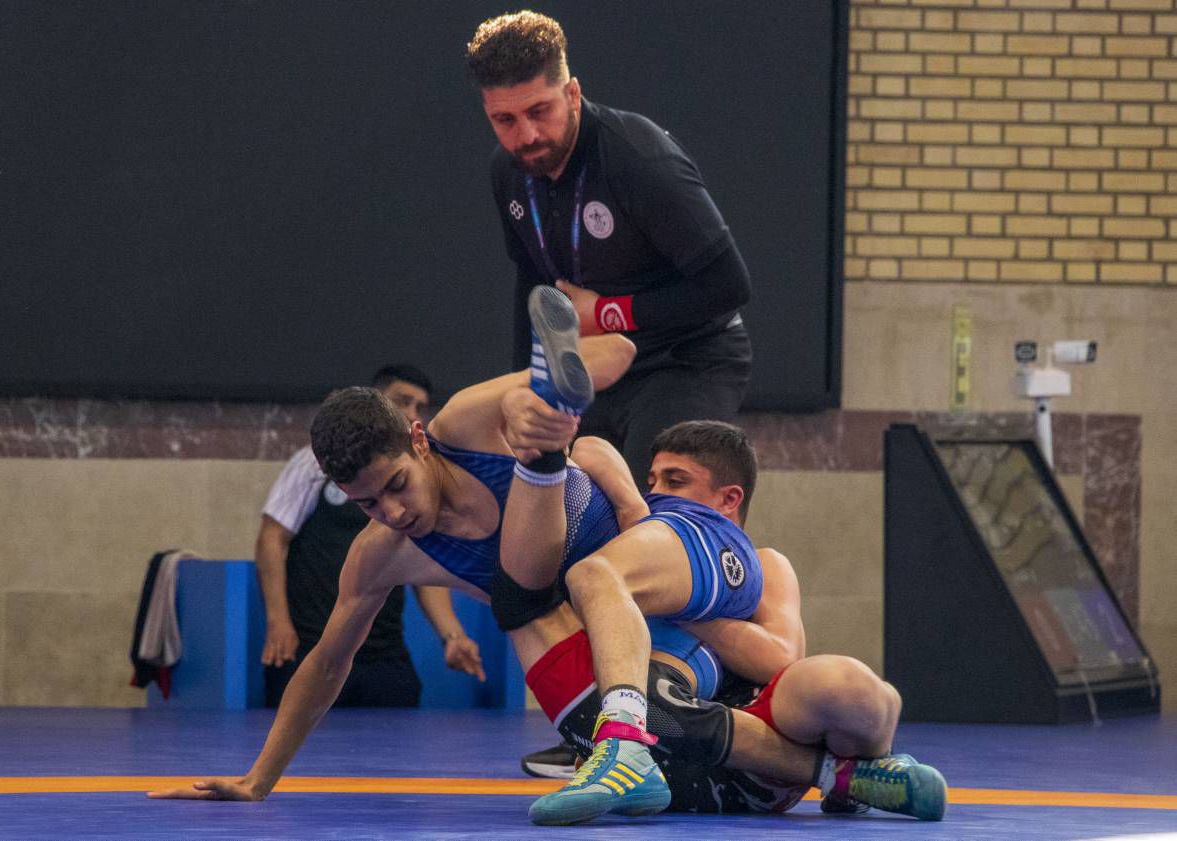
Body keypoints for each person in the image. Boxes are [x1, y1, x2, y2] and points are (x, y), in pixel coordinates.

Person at [148, 331, 946, 823]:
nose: (390, 513)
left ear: (419, 441)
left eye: (394, 486)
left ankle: (546, 450)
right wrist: (259, 777)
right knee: (528, 596)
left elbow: (616, 353)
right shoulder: (382, 552)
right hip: (638, 673)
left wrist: (551, 396)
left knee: (842, 688)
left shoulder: (467, 421)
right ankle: (838, 774)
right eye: (365, 504)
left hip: (665, 588)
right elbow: (327, 662)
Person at [466, 10, 753, 487]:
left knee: (652, 500)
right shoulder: (508, 172)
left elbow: (729, 286)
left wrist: (606, 314)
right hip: (594, 365)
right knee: (563, 502)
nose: (527, 136)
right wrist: (527, 384)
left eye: (540, 111)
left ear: (572, 94)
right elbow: (531, 284)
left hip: (686, 358)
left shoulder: (637, 158)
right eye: (505, 120)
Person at [254, 364, 484, 708]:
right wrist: (278, 623)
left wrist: (452, 635)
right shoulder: (314, 467)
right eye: (402, 401)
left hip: (383, 655)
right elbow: (272, 538)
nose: (392, 512)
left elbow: (427, 568)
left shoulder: (423, 480)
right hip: (314, 644)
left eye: (419, 406)